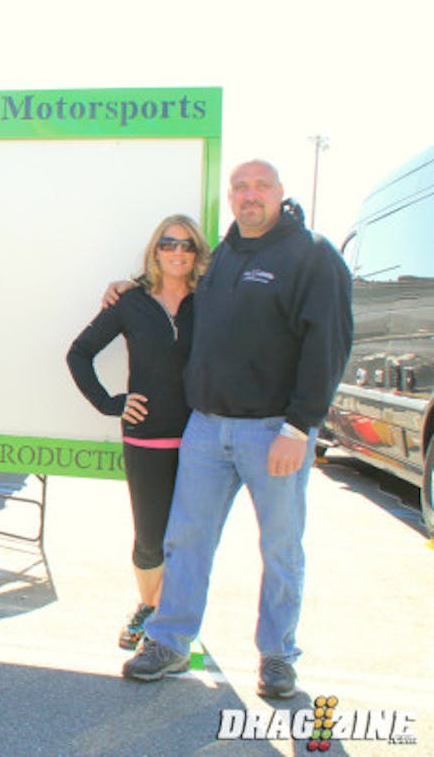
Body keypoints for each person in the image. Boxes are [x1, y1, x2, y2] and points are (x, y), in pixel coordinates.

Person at [121, 160, 352, 699]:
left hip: (274, 431)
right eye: (241, 187)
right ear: (231, 197)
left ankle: (277, 655)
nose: (250, 195)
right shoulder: (222, 256)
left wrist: (300, 426)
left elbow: (329, 344)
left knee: (279, 547)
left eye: (261, 186)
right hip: (207, 429)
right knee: (186, 540)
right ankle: (170, 641)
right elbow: (173, 288)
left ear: (280, 193)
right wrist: (126, 288)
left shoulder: (311, 256)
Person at [67, 214, 209, 651]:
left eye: (187, 245)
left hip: (202, 438)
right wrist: (113, 403)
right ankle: (149, 609)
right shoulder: (131, 302)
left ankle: (177, 618)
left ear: (198, 253)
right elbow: (79, 354)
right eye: (169, 243)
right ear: (156, 250)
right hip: (146, 438)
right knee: (150, 538)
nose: (177, 252)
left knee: (189, 537)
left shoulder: (210, 301)